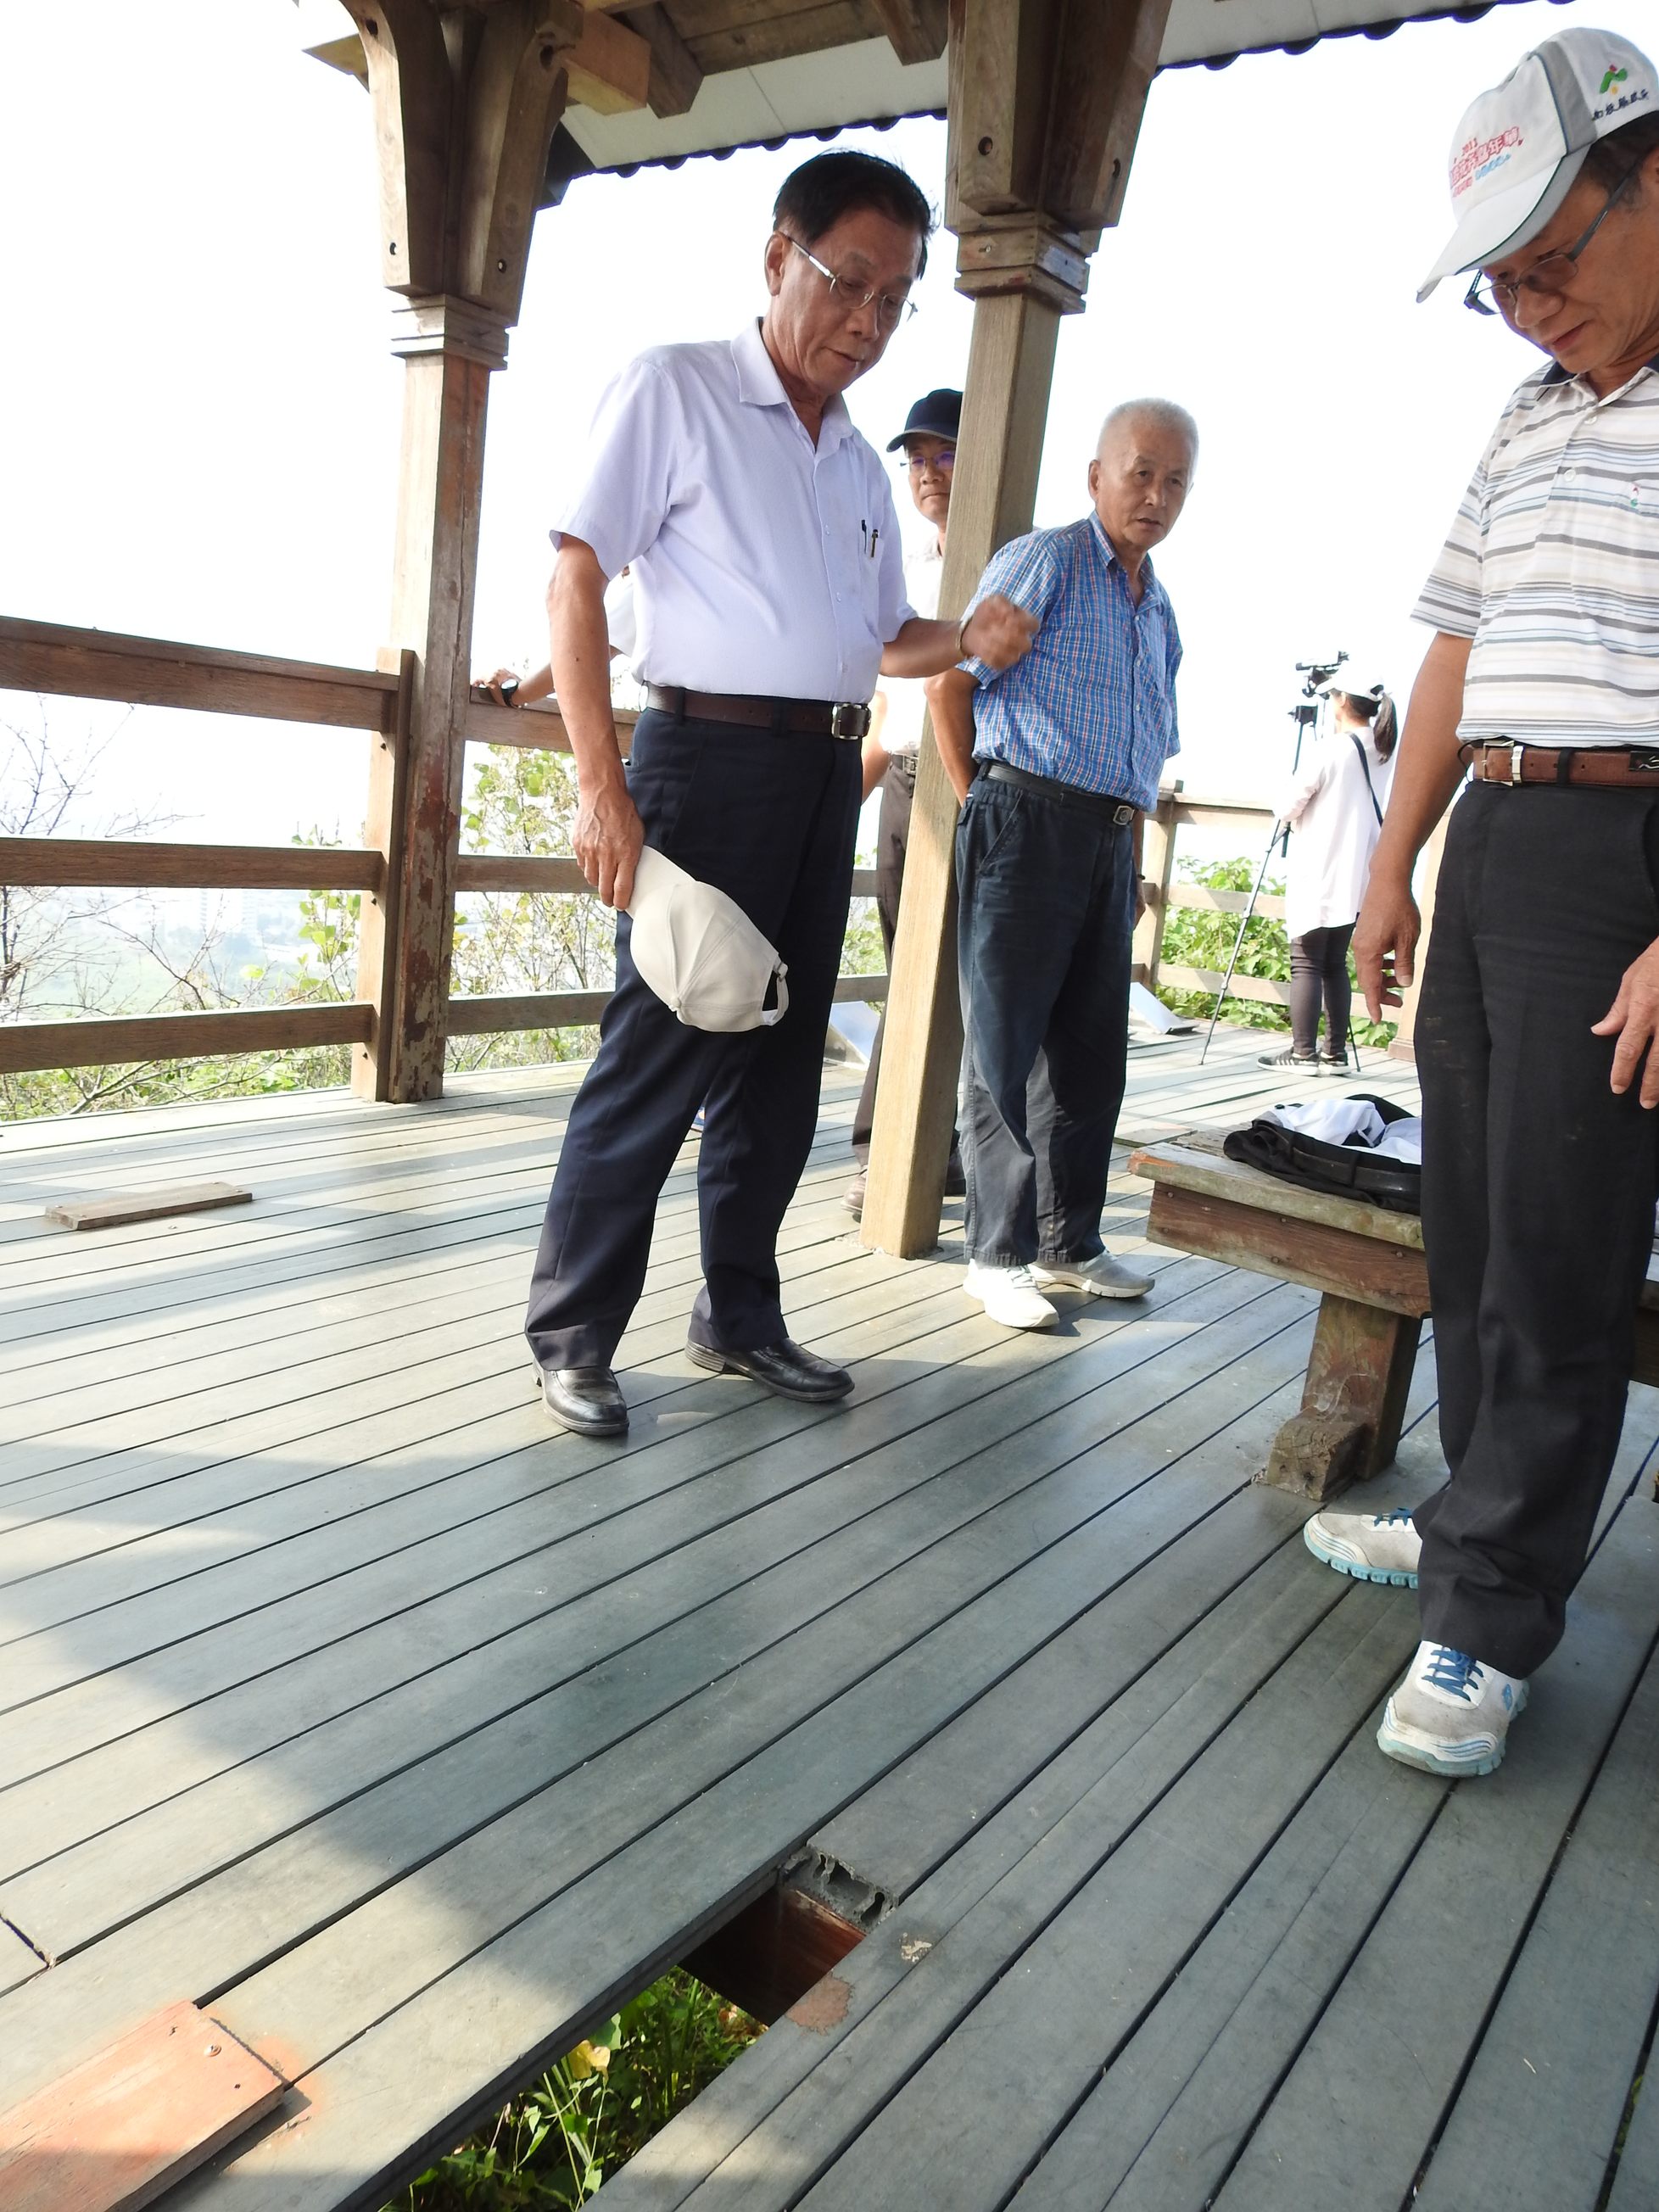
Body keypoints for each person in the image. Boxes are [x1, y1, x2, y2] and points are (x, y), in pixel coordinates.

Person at [523, 150, 1037, 1438]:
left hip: (822, 773)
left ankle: (740, 1317)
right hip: (704, 763)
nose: (869, 321)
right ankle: (575, 1334)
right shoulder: (677, 388)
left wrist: (969, 638)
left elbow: (884, 638)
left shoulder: (859, 463)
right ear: (776, 258)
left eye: (895, 300)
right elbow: (577, 579)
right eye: (850, 283)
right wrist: (600, 787)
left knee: (781, 1063)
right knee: (660, 1048)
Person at [1303, 25, 1659, 1779]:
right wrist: (1394, 862)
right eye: (1498, 284)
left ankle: (1494, 1611)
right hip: (1499, 835)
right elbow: (1452, 645)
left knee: (1566, 1248)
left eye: (1552, 259)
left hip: (1631, 847)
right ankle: (1468, 1509)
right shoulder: (1524, 414)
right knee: (1473, 1218)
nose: (1528, 307)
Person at [928, 400, 1194, 1332]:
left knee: (1089, 1053)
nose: (1155, 496)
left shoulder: (1159, 609)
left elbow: (1147, 745)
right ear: (1097, 477)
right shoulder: (1047, 559)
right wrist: (980, 804)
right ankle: (996, 1255)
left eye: (1174, 481)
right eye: (1140, 473)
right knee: (1003, 1045)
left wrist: (1131, 851)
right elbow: (950, 688)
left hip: (1109, 835)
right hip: (1023, 814)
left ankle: (1067, 1241)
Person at [845, 386, 967, 1219]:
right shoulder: (907, 563)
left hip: (977, 783)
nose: (926, 471)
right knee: (908, 964)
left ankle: (907, 1149)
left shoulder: (1013, 562)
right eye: (916, 458)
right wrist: (835, 807)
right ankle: (898, 1147)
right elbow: (890, 708)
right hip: (907, 779)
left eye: (943, 454)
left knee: (956, 970)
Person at [1257, 675, 1399, 1075]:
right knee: (1335, 961)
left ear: (1341, 702)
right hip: (1360, 871)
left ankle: (1302, 1053)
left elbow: (1287, 806)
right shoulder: (1382, 749)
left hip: (1321, 865)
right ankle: (1335, 1053)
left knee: (1305, 960)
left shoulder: (1330, 748)